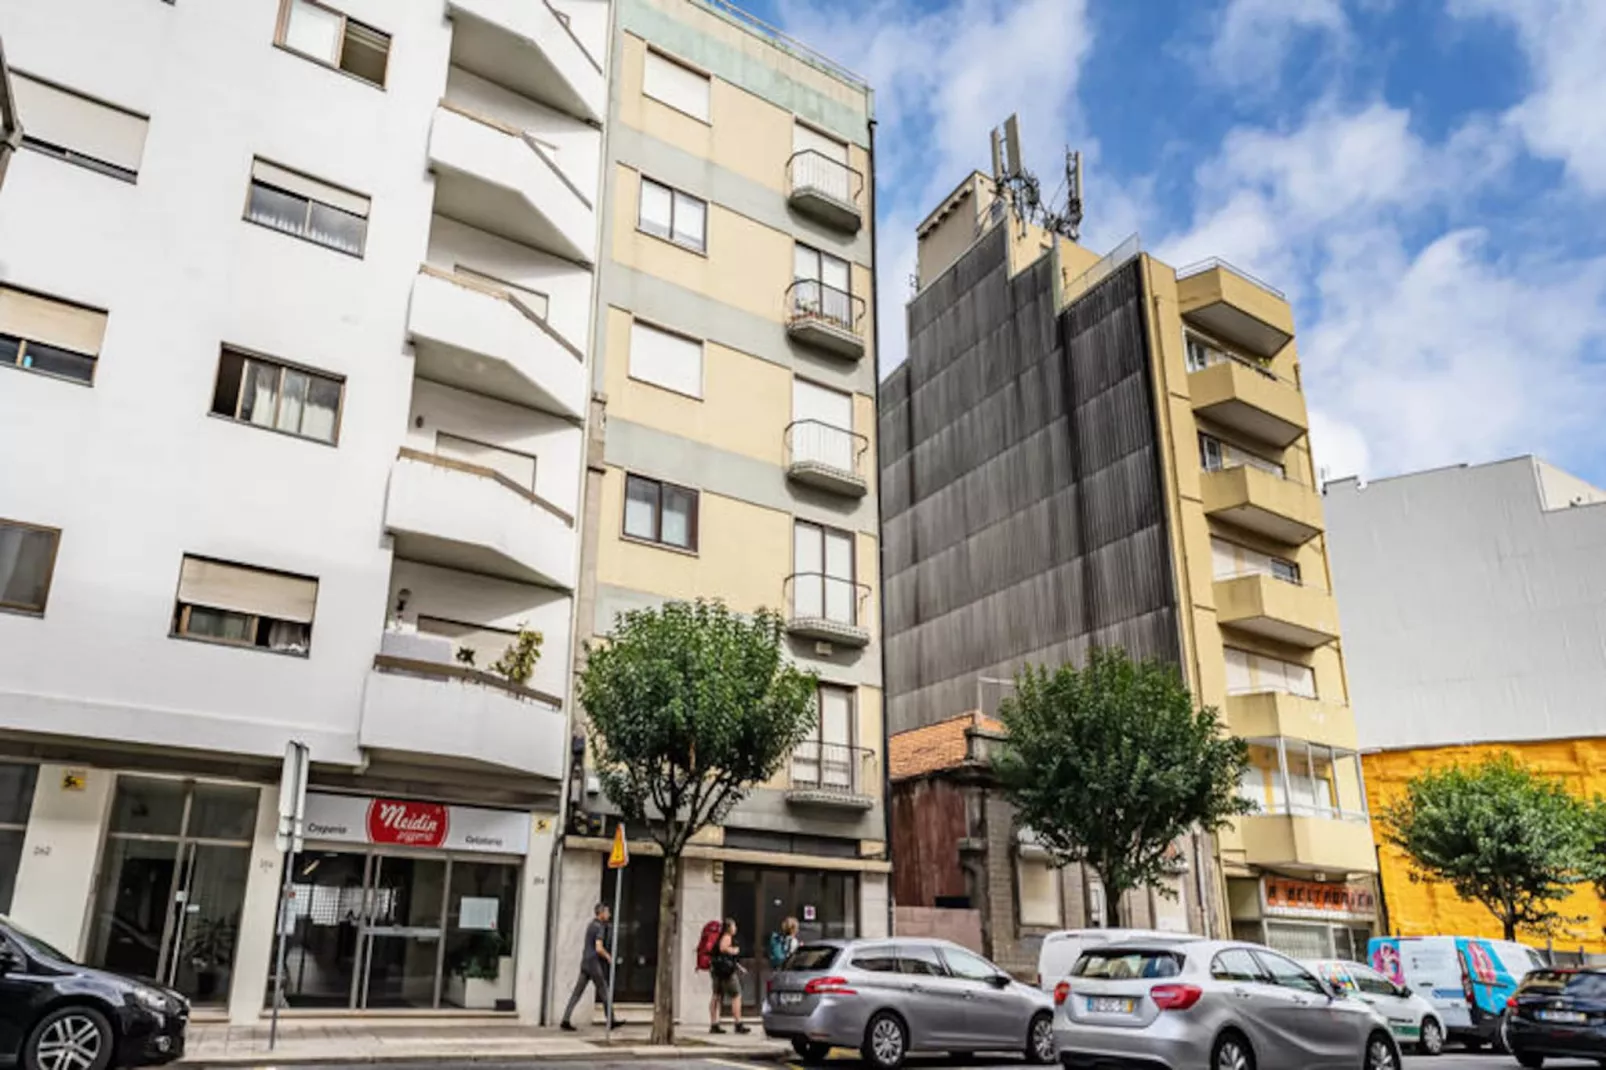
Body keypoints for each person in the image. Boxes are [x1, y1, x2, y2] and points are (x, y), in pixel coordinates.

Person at [560, 903, 615, 1031]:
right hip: (594, 963)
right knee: (604, 990)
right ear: (600, 914)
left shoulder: (591, 925)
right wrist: (608, 957)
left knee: (577, 993)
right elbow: (599, 948)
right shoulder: (599, 927)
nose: (609, 915)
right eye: (607, 912)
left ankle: (565, 1019)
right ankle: (611, 1020)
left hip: (585, 962)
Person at [709, 917, 748, 1034]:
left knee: (716, 995)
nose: (735, 928)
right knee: (736, 995)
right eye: (734, 926)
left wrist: (739, 967)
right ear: (729, 928)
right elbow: (723, 948)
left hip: (717, 970)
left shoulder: (720, 937)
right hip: (726, 972)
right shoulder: (727, 937)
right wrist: (734, 950)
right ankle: (738, 1023)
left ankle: (714, 1023)